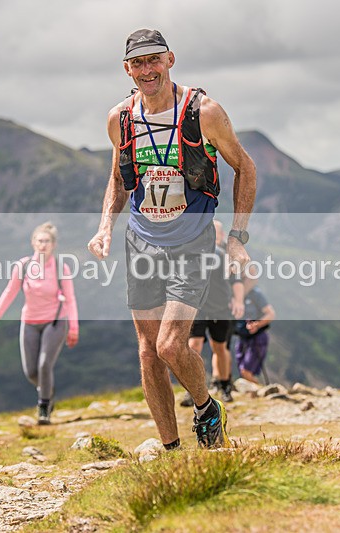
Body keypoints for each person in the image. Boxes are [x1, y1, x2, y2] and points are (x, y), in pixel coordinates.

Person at [87, 29, 256, 449]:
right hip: (142, 241)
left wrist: (236, 236)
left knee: (169, 345)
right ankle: (171, 452)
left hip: (192, 241)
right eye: (138, 63)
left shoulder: (205, 112)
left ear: (170, 60)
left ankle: (205, 407)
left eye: (154, 60)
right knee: (147, 350)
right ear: (127, 69)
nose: (147, 70)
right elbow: (118, 178)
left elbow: (246, 168)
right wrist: (105, 224)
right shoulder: (120, 119)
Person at [0, 222, 79, 425]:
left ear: (53, 244)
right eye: (39, 240)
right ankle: (48, 390)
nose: (42, 244)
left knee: (45, 364)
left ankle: (44, 407)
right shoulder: (24, 266)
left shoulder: (61, 267)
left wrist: (73, 328)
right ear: (33, 243)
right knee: (31, 371)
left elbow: (70, 299)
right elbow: (9, 293)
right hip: (29, 322)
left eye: (47, 241)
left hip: (54, 322)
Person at [181, 220, 244, 406]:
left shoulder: (225, 256)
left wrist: (238, 300)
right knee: (193, 347)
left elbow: (237, 282)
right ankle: (192, 391)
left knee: (220, 348)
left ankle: (224, 386)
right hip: (198, 309)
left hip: (220, 309)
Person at [234, 283, 275, 384]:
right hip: (242, 337)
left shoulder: (255, 294)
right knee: (242, 371)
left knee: (246, 372)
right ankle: (255, 393)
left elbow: (271, 314)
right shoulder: (232, 294)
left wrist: (257, 324)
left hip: (257, 338)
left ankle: (260, 392)